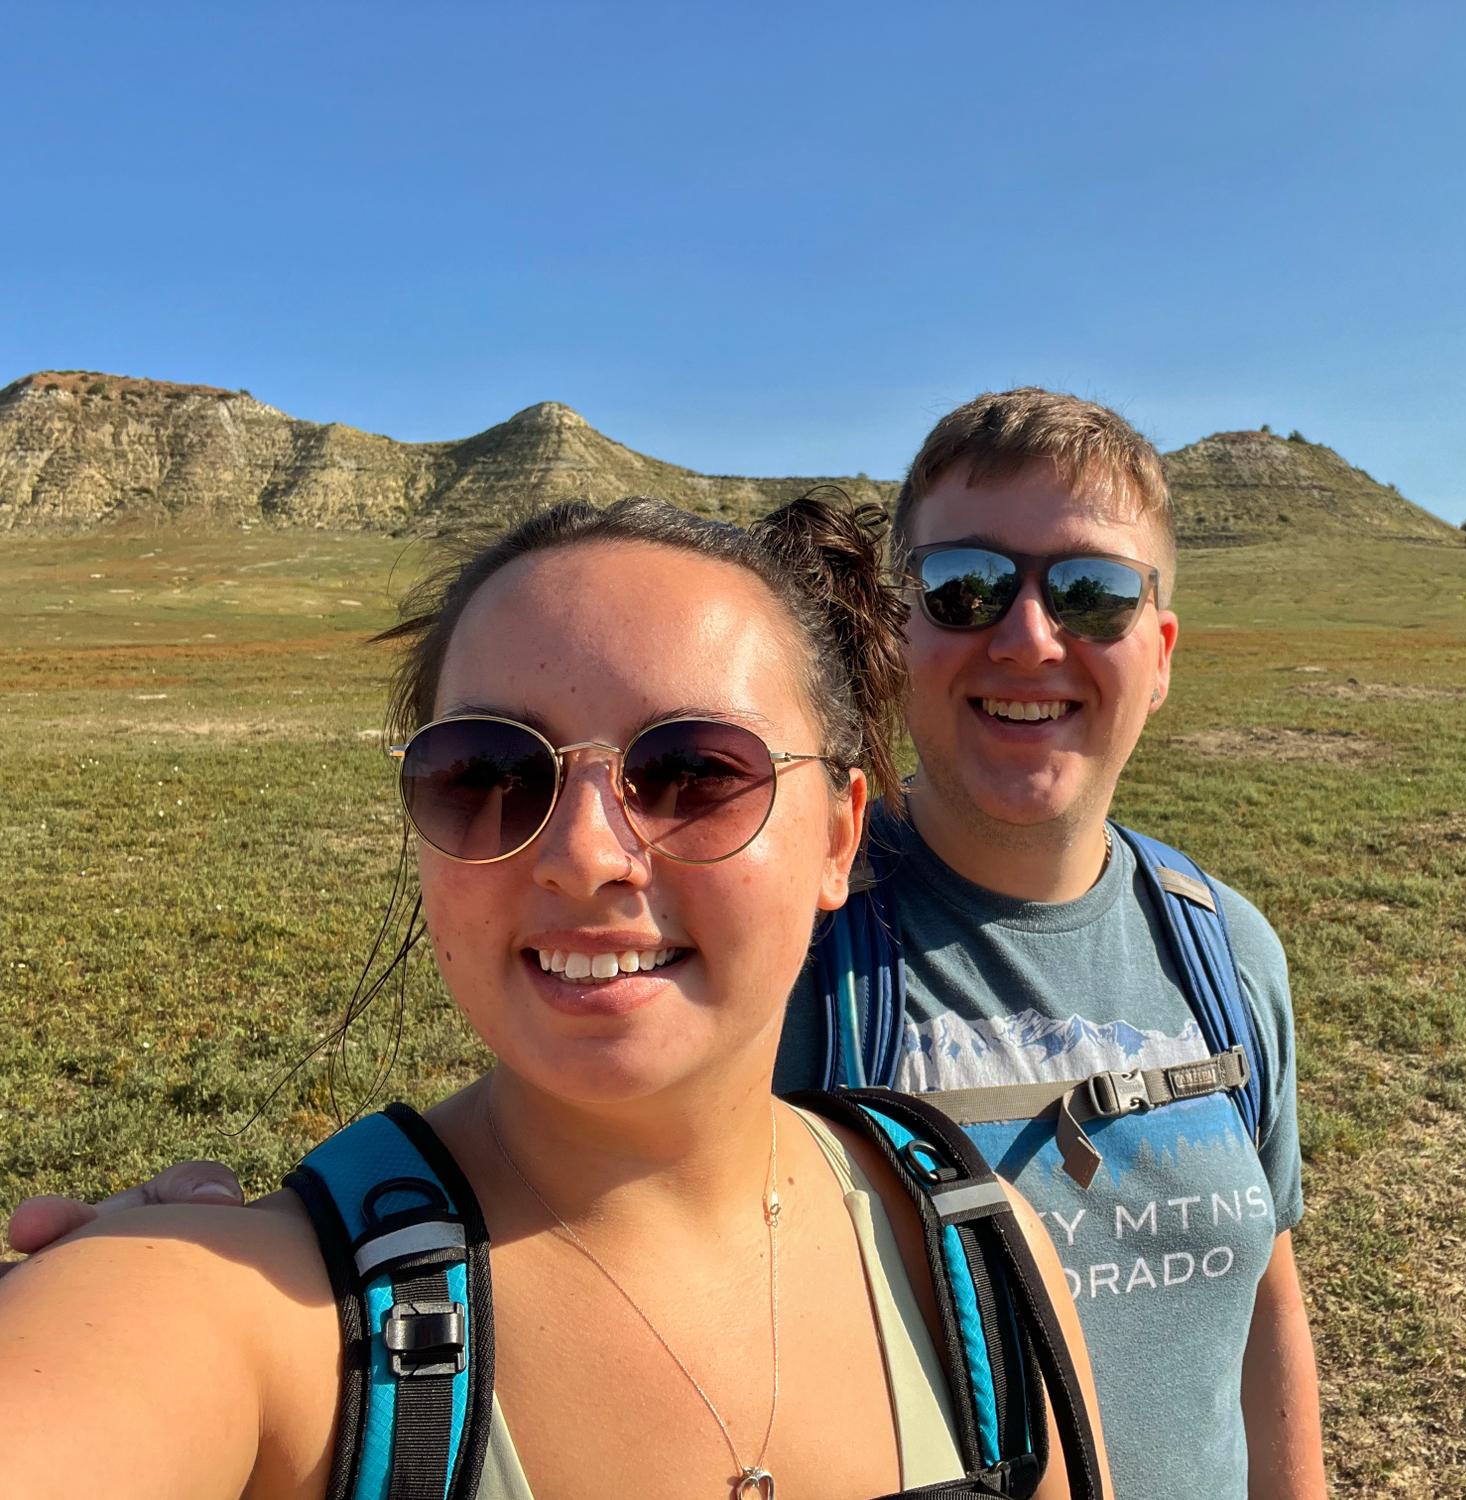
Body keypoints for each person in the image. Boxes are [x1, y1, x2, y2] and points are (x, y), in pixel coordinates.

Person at [8, 390, 1325, 1496]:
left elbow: (1271, 1284)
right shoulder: (285, 1323)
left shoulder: (1010, 1223)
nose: (586, 852)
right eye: (490, 773)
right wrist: (187, 1266)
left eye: (695, 772)